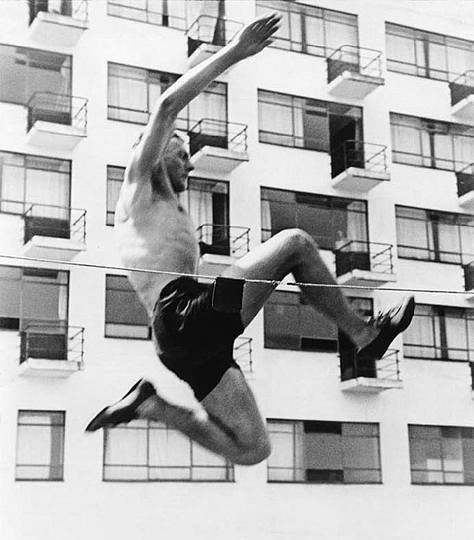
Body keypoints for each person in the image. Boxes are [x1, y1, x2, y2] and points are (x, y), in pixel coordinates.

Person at [86, 13, 415, 466]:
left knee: (254, 448)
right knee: (296, 243)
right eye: (183, 155)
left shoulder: (165, 211)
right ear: (157, 151)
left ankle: (151, 405)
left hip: (183, 341)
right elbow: (166, 107)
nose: (191, 165)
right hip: (181, 316)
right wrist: (237, 50)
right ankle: (363, 334)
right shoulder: (139, 184)